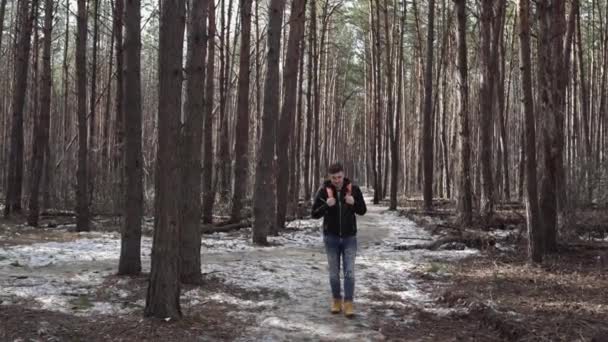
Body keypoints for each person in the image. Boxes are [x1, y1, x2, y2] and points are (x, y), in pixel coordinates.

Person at [311, 163, 367, 318]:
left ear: (344, 175)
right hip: (331, 238)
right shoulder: (323, 191)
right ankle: (336, 300)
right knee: (334, 274)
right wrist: (326, 207)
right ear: (330, 177)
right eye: (334, 178)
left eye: (339, 177)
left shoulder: (353, 190)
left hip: (349, 238)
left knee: (349, 272)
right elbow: (314, 213)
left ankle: (348, 303)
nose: (337, 180)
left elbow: (362, 210)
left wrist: (353, 202)